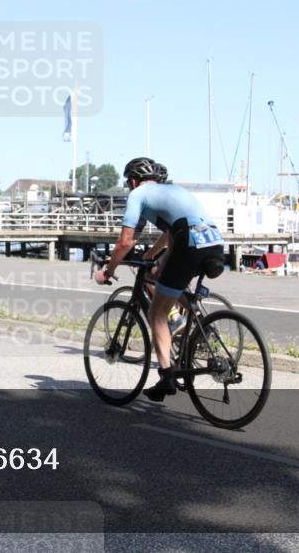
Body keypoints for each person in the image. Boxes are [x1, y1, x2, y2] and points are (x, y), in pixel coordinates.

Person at [94, 157, 225, 402]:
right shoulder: (173, 189)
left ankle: (166, 375)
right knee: (162, 279)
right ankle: (202, 324)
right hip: (214, 241)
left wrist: (108, 271)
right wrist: (154, 257)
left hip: (188, 241)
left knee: (156, 312)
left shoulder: (138, 194)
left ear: (133, 181)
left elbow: (125, 241)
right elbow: (171, 232)